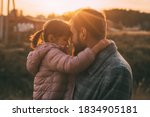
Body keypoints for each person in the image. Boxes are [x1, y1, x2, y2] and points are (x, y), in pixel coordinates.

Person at [26, 19, 110, 100]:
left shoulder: (51, 52)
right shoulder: (51, 53)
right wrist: (94, 50)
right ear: (52, 38)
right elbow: (72, 65)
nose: (67, 43)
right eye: (65, 40)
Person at [70, 8, 133, 100]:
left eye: (72, 33)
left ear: (83, 33)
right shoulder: (82, 62)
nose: (70, 40)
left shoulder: (117, 71)